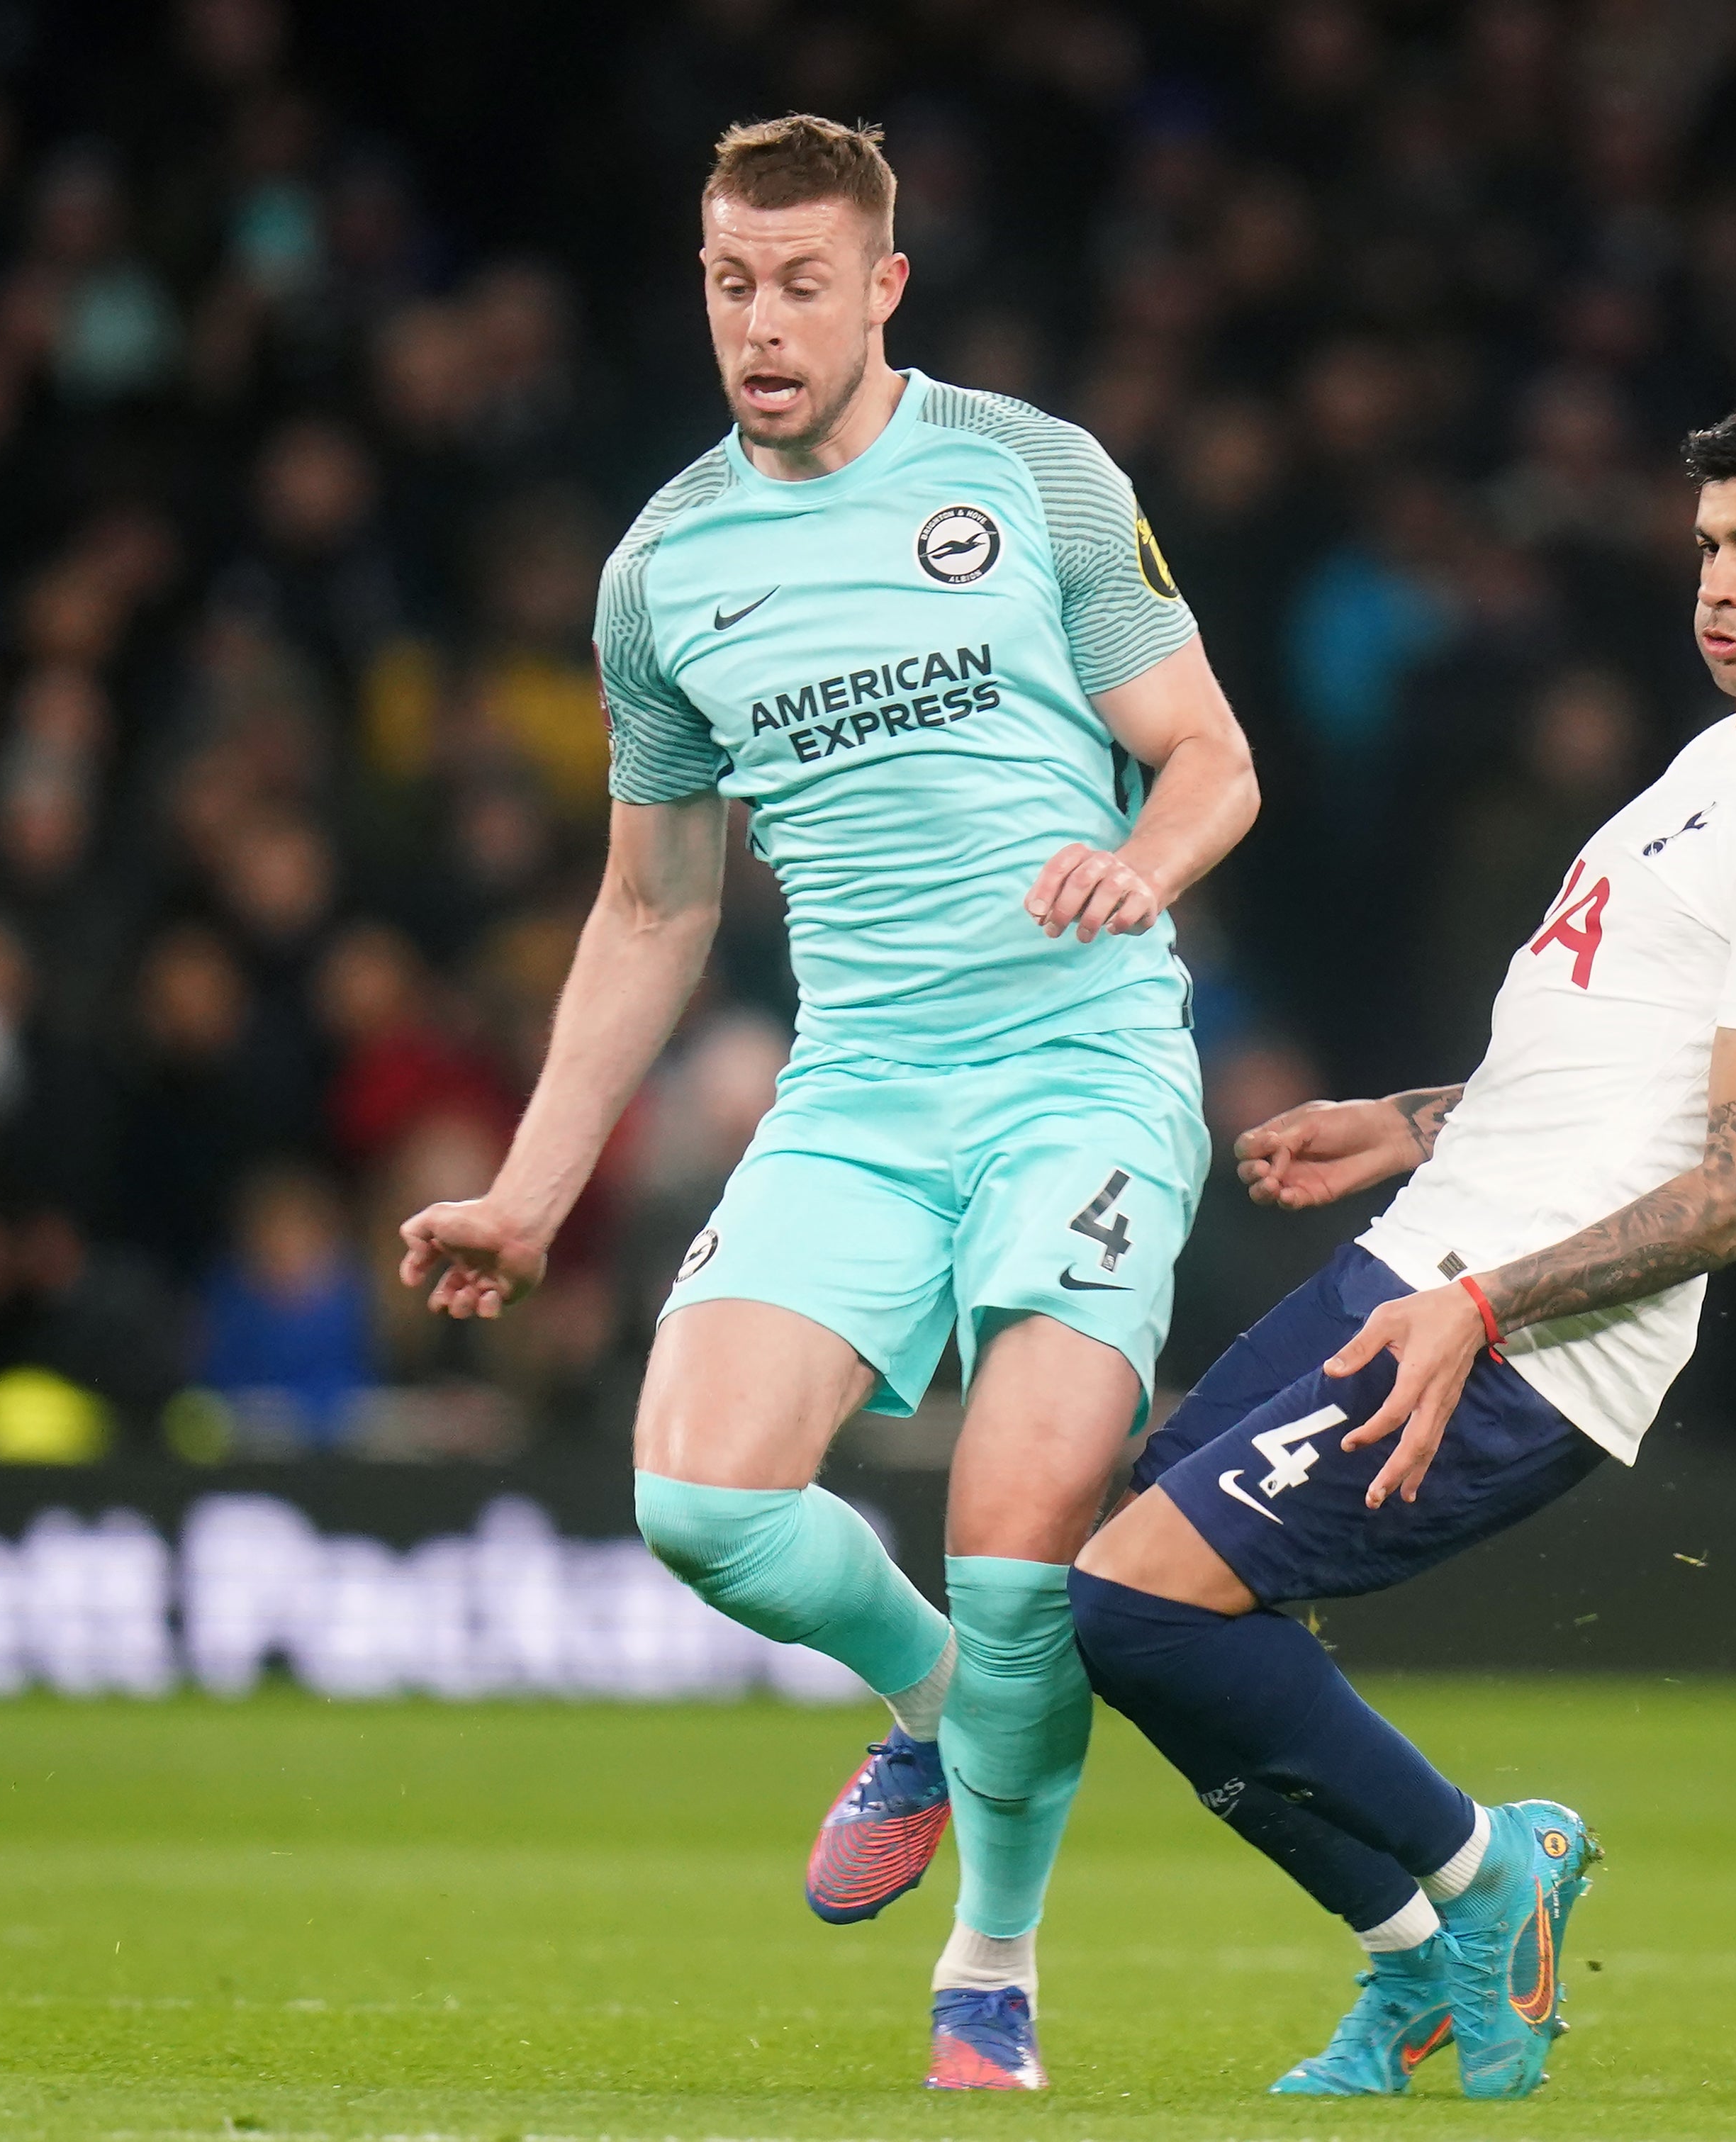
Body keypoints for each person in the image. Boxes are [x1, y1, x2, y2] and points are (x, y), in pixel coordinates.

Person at [397, 115, 1256, 2090]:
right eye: (727, 282)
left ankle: (994, 1960)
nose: (760, 321)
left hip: (1078, 1068)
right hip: (861, 1086)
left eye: (800, 283)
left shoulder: (1034, 473)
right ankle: (946, 1709)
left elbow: (1208, 756)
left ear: (882, 288)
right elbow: (650, 902)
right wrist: (532, 1191)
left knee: (1015, 1532)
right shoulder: (662, 570)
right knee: (693, 1493)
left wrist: (1148, 861)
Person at [1068, 391, 1736, 2101]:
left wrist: (1483, 1301)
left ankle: (1488, 1870)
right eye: (1704, 546)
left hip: (1521, 1330)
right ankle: (1413, 1966)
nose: (1716, 584)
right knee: (1130, 1601)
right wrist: (1407, 1118)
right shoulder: (1727, 759)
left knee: (1134, 1608)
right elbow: (1604, 1055)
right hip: (1429, 1251)